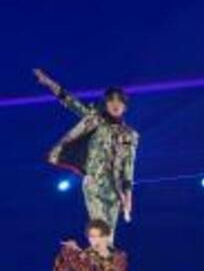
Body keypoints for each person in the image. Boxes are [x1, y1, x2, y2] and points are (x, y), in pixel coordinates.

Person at [35, 69, 138, 244]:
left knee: (109, 239)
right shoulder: (95, 120)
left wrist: (128, 196)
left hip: (114, 191)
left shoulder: (130, 135)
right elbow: (73, 104)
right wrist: (51, 84)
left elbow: (129, 166)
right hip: (94, 183)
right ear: (106, 103)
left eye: (119, 101)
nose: (115, 104)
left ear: (125, 107)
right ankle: (89, 257)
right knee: (99, 228)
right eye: (111, 100)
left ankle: (100, 261)